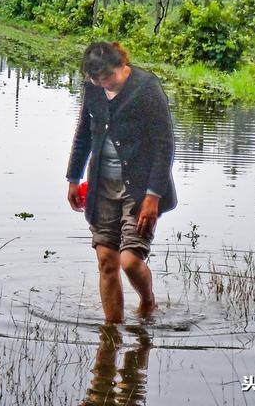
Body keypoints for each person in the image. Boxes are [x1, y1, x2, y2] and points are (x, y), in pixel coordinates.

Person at [66, 41, 177, 324]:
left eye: (109, 78)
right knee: (106, 262)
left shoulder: (146, 88)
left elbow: (165, 145)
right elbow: (84, 134)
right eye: (97, 80)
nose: (105, 85)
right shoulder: (93, 89)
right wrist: (73, 178)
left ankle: (148, 302)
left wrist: (153, 196)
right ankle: (111, 333)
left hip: (140, 189)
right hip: (102, 186)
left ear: (122, 65)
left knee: (129, 261)